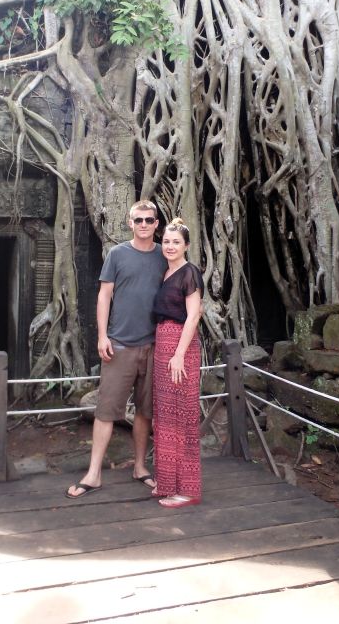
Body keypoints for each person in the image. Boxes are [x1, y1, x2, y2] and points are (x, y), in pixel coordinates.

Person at [66, 200, 168, 498]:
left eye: (149, 220)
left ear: (157, 223)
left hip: (154, 346)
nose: (144, 225)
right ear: (129, 223)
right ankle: (94, 473)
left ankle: (140, 466)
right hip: (120, 344)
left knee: (145, 412)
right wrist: (102, 335)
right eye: (139, 220)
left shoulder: (165, 254)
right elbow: (104, 295)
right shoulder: (117, 254)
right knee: (107, 410)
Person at [151, 218, 204, 509]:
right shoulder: (165, 271)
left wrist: (180, 354)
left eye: (176, 242)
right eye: (167, 242)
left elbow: (194, 315)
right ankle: (167, 483)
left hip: (179, 347)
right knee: (165, 415)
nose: (170, 246)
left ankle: (188, 489)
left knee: (181, 416)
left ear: (186, 245)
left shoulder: (189, 272)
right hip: (163, 343)